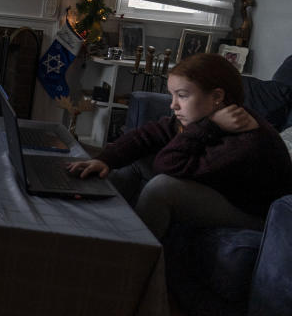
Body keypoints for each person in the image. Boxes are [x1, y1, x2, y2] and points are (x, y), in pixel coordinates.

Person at [67, 53, 292, 239]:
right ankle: (93, 228)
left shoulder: (246, 143)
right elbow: (146, 135)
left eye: (182, 96)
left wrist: (208, 127)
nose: (173, 105)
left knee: (163, 188)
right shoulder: (206, 118)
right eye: (172, 95)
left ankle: (134, 259)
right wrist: (104, 159)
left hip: (254, 215)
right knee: (136, 158)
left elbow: (169, 166)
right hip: (219, 187)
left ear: (216, 97)